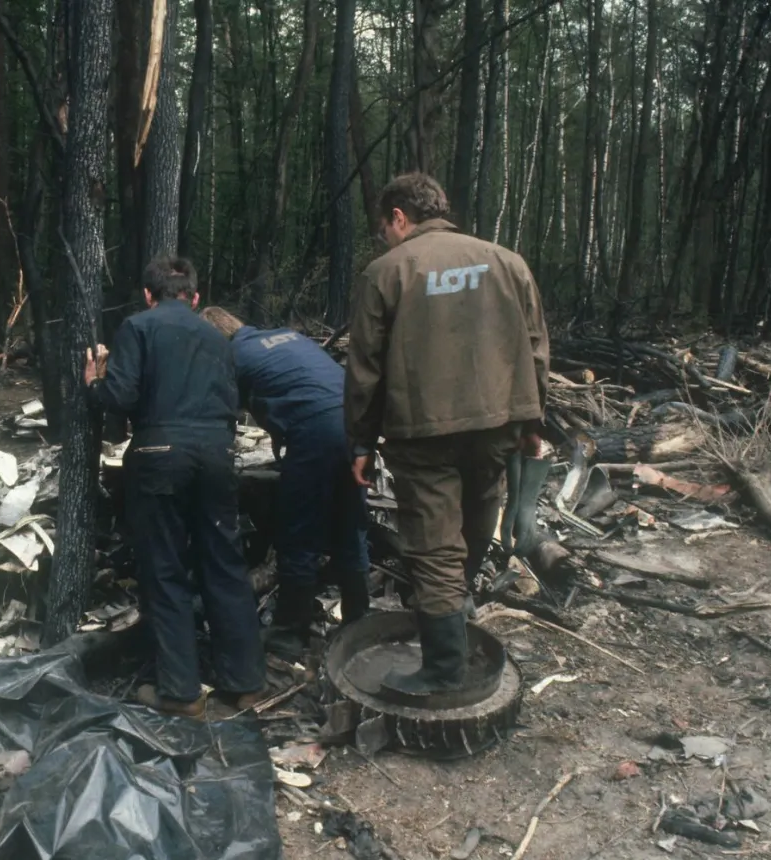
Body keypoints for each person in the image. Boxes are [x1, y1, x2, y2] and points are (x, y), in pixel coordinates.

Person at [344, 172, 549, 696]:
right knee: (479, 514)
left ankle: (442, 672)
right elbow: (536, 346)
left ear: (398, 217)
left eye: (384, 228)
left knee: (435, 546)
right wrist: (533, 423)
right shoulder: (508, 262)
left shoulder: (386, 272)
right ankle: (457, 609)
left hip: (423, 430)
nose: (385, 238)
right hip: (500, 422)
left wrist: (361, 442)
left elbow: (364, 368)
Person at [84, 256, 267, 717]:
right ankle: (244, 683)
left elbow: (121, 397)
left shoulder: (138, 327)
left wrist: (93, 384)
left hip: (160, 456)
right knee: (224, 564)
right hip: (219, 455)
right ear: (195, 296)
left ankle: (181, 692)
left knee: (165, 570)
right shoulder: (218, 336)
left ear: (149, 294)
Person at [198, 306, 370, 655]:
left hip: (315, 429)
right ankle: (360, 620)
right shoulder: (283, 337)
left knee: (298, 532)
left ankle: (290, 631)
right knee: (349, 523)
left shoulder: (231, 356)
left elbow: (218, 414)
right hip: (355, 423)